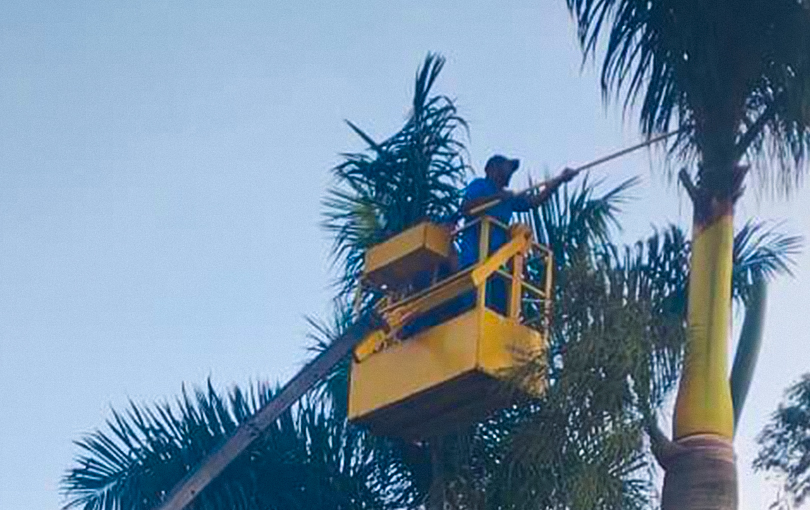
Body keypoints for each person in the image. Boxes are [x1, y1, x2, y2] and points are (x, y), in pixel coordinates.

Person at [457, 155, 578, 314]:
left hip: (497, 262)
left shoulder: (508, 197)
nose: (510, 173)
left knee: (499, 308)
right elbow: (466, 208)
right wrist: (497, 198)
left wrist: (560, 180)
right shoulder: (480, 185)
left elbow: (534, 201)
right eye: (507, 167)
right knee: (475, 304)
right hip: (475, 259)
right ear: (492, 168)